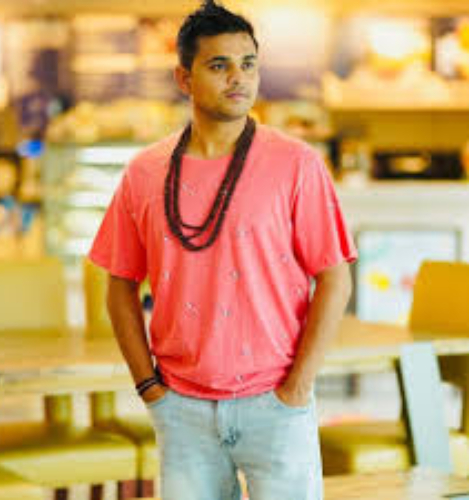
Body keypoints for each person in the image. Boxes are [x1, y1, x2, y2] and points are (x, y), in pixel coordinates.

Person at [89, 1, 357, 499]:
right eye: (219, 65)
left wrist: (297, 388)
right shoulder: (144, 172)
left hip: (276, 404)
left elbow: (335, 276)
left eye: (248, 64)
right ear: (184, 79)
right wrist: (150, 387)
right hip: (182, 409)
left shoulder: (297, 163)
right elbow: (119, 285)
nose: (239, 78)